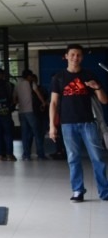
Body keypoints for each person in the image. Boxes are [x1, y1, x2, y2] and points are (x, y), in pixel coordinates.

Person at [49, 44, 108, 202]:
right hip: (67, 124)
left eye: (79, 55)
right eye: (73, 54)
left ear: (82, 57)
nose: (76, 57)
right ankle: (77, 190)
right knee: (73, 158)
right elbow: (53, 103)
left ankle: (105, 191)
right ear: (66, 56)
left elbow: (104, 100)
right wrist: (52, 126)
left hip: (89, 123)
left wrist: (98, 87)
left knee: (98, 158)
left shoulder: (89, 75)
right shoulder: (59, 78)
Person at [16, 69, 48, 160]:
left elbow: (15, 98)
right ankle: (40, 154)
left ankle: (26, 155)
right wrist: (43, 103)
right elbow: (38, 93)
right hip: (30, 111)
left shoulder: (17, 85)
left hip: (21, 112)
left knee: (25, 134)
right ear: (29, 76)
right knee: (37, 133)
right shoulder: (31, 83)